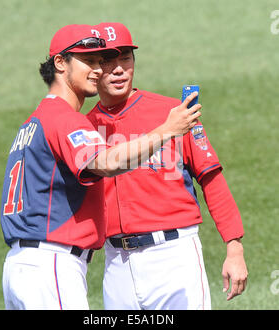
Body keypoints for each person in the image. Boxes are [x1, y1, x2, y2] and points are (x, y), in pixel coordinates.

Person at [1, 24, 201, 310]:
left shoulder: (33, 122)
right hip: (50, 267)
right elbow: (107, 162)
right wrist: (166, 131)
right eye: (89, 61)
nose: (98, 70)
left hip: (20, 267)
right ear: (60, 63)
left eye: (100, 62)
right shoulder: (64, 119)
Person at [87, 22, 248, 310]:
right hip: (116, 264)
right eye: (108, 60)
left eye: (125, 58)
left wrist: (234, 246)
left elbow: (211, 178)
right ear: (94, 67)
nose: (119, 69)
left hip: (174, 256)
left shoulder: (173, 113)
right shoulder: (85, 129)